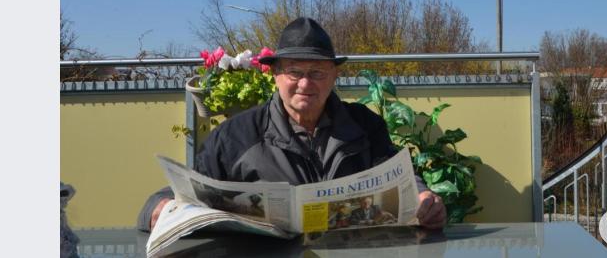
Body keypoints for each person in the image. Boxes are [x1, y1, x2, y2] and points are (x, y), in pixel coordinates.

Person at [137, 17, 446, 231]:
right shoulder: (236, 134)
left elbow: (399, 176)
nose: (304, 84)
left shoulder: (366, 125)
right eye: (294, 72)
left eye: (317, 73)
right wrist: (157, 207)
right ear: (275, 75)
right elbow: (191, 189)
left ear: (334, 77)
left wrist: (424, 198)